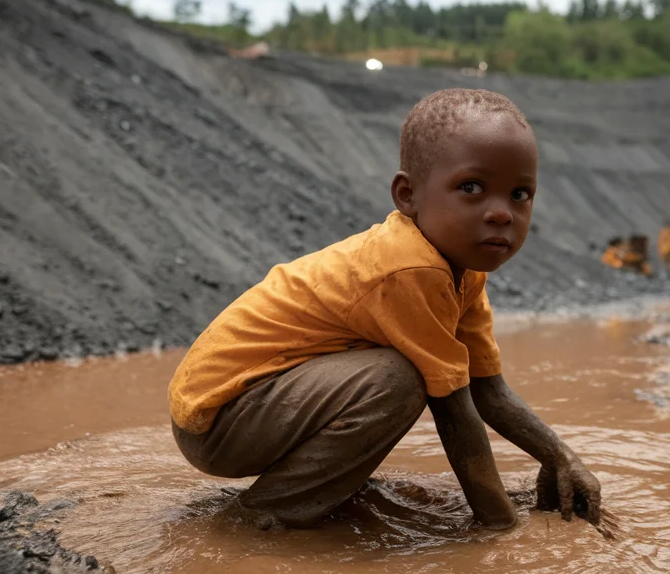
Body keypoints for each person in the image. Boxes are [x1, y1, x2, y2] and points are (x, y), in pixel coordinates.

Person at [168, 88, 603, 531]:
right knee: (398, 381)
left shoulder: (463, 272)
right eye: (471, 187)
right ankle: (262, 515)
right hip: (215, 417)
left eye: (519, 194)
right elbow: (455, 410)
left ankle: (309, 493)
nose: (501, 213)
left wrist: (559, 457)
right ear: (407, 195)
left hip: (249, 405)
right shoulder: (411, 268)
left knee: (399, 376)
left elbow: (487, 389)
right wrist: (499, 528)